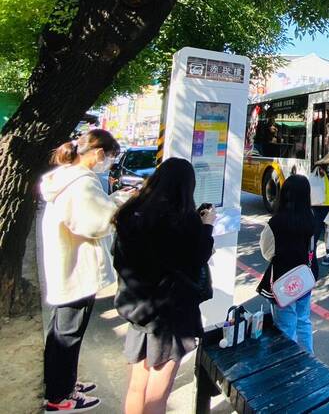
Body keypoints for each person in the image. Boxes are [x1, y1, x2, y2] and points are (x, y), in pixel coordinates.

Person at [112, 158, 216, 414]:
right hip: (171, 315)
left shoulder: (131, 215)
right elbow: (196, 259)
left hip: (138, 311)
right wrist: (208, 226)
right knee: (158, 392)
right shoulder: (182, 221)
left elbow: (120, 260)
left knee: (137, 385)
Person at [40, 129, 125, 412]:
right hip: (76, 270)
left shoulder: (66, 177)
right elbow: (97, 223)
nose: (110, 163)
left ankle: (62, 383)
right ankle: (59, 397)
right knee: (67, 334)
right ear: (99, 153)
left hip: (66, 266)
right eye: (111, 157)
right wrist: (119, 202)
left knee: (60, 333)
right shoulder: (82, 184)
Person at [259, 174, 319, 353]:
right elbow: (311, 247)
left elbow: (267, 250)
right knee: (303, 320)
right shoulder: (311, 217)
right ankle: (308, 358)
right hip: (304, 278)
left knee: (285, 327)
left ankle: (289, 364)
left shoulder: (276, 222)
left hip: (282, 281)